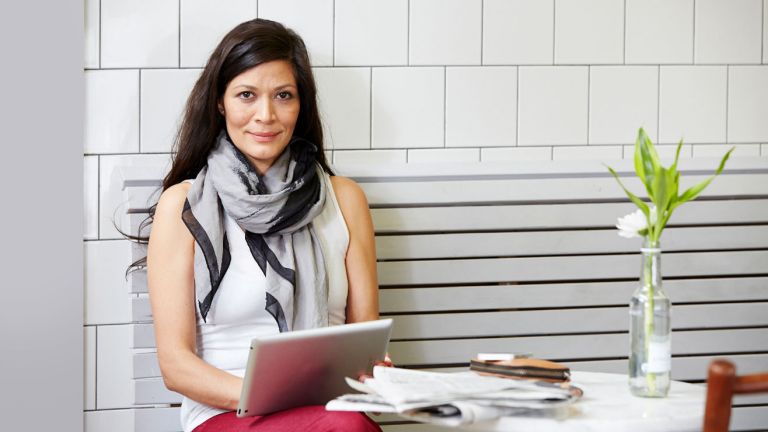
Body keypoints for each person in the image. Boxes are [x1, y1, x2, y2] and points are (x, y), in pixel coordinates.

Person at [146, 18, 383, 432]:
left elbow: (365, 346)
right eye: (246, 95)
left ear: (300, 104)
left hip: (329, 411)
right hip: (226, 414)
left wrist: (375, 376)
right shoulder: (182, 206)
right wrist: (275, 396)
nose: (266, 115)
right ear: (220, 103)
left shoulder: (345, 199)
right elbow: (176, 367)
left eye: (283, 96)